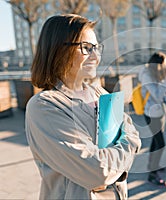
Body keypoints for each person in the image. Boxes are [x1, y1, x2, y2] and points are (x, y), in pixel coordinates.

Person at [25, 14, 141, 199]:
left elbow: (133, 132)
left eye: (96, 48)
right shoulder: (44, 106)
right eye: (86, 48)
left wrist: (124, 146)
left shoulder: (100, 93)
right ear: (57, 50)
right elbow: (98, 172)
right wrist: (128, 146)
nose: (96, 56)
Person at [138, 52, 166, 187]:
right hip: (150, 113)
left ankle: (153, 165)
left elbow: (162, 94)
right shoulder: (147, 75)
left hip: (160, 112)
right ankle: (153, 175)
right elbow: (158, 95)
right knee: (160, 143)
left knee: (155, 140)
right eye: (164, 64)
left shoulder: (156, 73)